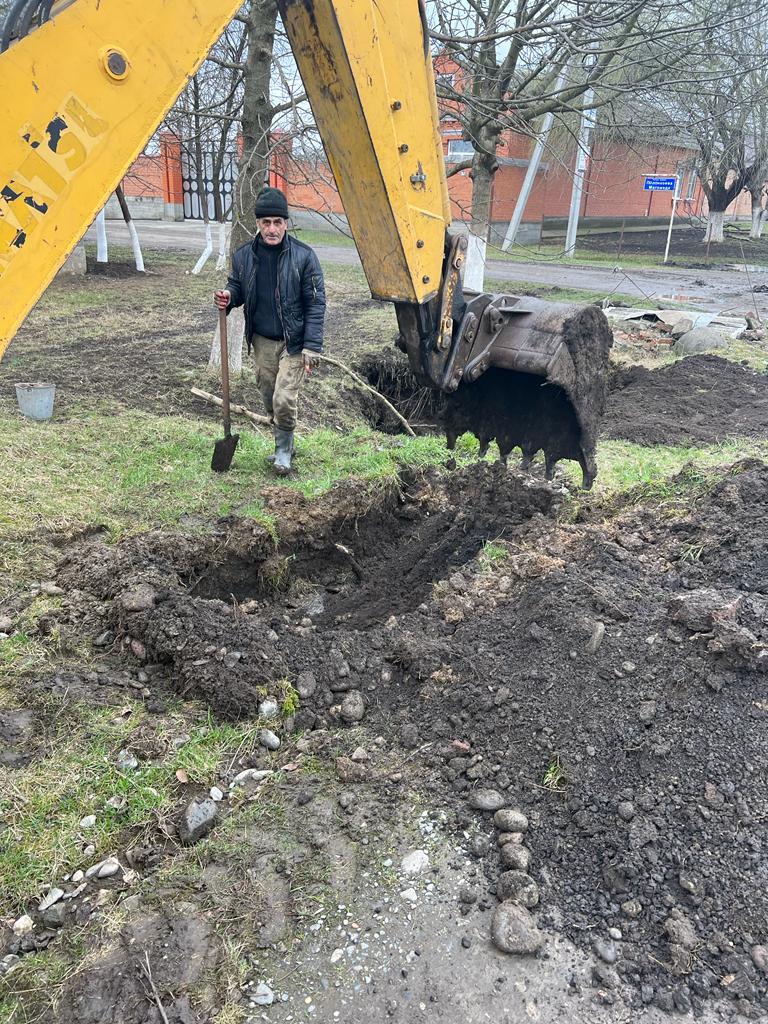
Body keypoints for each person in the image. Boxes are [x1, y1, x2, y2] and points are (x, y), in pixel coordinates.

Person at [214, 187, 325, 476]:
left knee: (284, 398)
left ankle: (283, 451)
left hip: (295, 343)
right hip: (261, 340)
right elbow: (238, 286)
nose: (272, 229)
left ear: (286, 223)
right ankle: (284, 441)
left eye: (277, 222)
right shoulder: (244, 257)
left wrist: (312, 346)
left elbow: (316, 303)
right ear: (258, 224)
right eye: (266, 223)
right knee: (267, 394)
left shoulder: (304, 257)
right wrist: (228, 295)